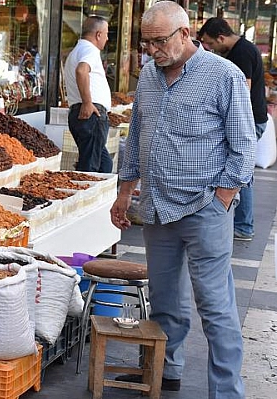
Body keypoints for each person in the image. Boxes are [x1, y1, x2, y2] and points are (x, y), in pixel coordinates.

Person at [110, 2, 255, 397]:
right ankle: (164, 371)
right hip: (157, 207)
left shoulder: (224, 75)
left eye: (159, 42)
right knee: (164, 302)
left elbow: (244, 147)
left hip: (203, 208)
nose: (153, 51)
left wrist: (221, 198)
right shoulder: (148, 78)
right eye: (147, 43)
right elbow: (135, 137)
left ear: (185, 34)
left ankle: (226, 391)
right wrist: (125, 193)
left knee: (215, 306)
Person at [198, 17, 268, 241]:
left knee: (241, 170)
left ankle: (243, 225)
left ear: (221, 37)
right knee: (241, 169)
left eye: (210, 43)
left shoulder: (241, 53)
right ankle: (242, 222)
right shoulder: (243, 48)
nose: (209, 48)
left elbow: (241, 90)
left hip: (250, 120)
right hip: (255, 118)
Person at [63, 16, 113, 173]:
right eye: (106, 33)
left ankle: (103, 197)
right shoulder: (90, 50)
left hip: (84, 114)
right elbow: (82, 70)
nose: (107, 38)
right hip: (90, 114)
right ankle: (84, 195)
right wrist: (87, 102)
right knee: (90, 168)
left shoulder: (78, 50)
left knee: (104, 164)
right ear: (98, 34)